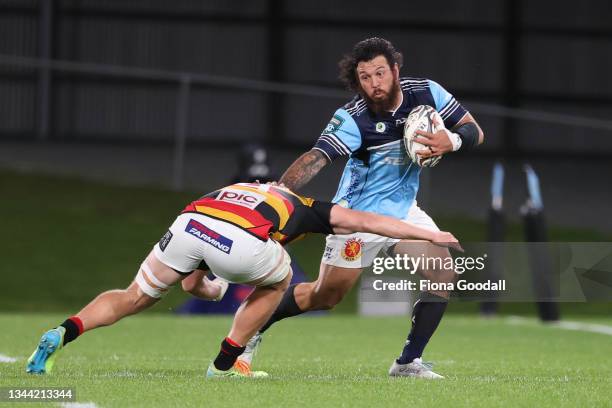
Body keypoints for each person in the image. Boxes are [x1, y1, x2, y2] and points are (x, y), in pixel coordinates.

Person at [26, 182, 460, 378]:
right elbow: (370, 220)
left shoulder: (241, 188)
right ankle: (226, 364)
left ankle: (63, 333)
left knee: (133, 295)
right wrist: (430, 234)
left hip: (191, 221)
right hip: (240, 240)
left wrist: (211, 287)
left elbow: (192, 283)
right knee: (281, 278)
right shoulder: (305, 206)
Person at [236, 37, 484, 379]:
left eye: (380, 73)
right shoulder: (353, 118)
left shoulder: (427, 93)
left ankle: (407, 363)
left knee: (442, 270)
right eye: (365, 77)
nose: (374, 84)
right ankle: (249, 333)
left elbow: (474, 130)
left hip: (403, 212)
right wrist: (277, 195)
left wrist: (452, 140)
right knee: (324, 296)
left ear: (395, 70)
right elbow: (316, 158)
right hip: (357, 219)